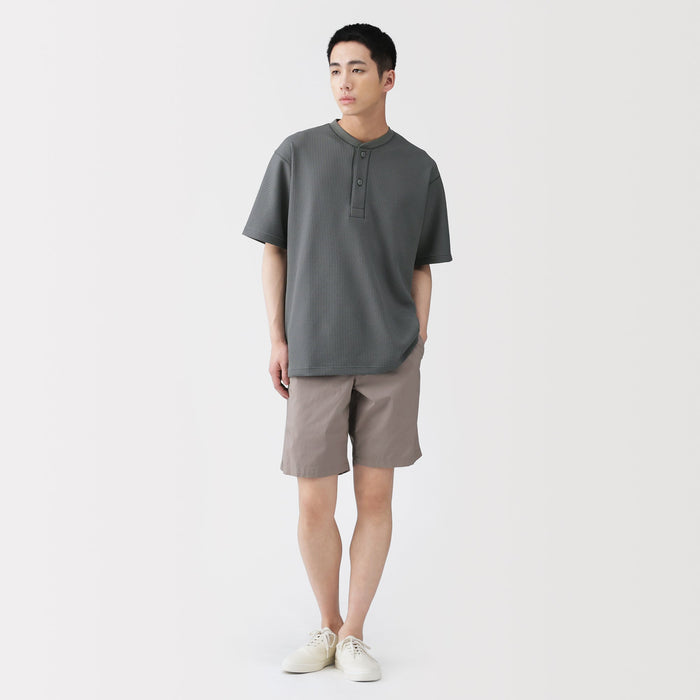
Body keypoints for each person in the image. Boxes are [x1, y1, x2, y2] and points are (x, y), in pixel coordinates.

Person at [242, 22, 453, 682]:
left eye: (357, 69)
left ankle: (355, 633)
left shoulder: (419, 168)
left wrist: (418, 337)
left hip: (390, 359)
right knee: (313, 503)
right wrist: (277, 336)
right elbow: (272, 247)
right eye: (335, 69)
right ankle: (328, 625)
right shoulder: (297, 154)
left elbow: (423, 264)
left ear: (387, 79)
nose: (343, 82)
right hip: (314, 352)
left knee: (376, 499)